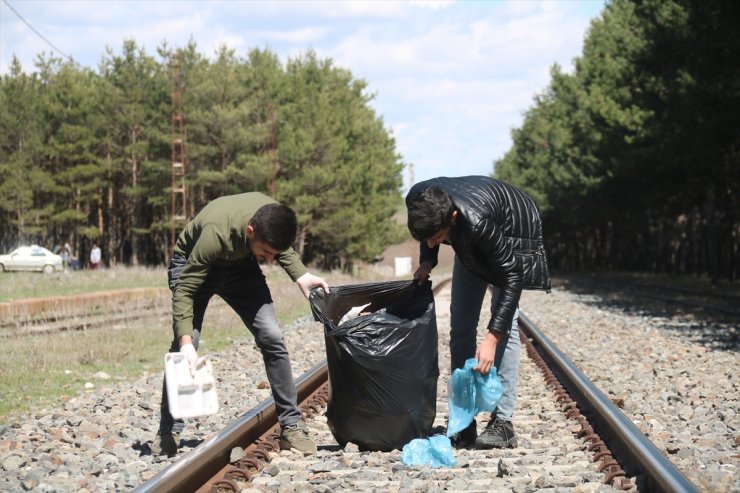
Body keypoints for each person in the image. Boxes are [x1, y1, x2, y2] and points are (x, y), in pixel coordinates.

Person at [151, 192, 330, 457]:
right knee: (186, 345)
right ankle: (168, 431)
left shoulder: (270, 215)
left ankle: (291, 426)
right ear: (250, 230)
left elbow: (279, 247)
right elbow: (186, 290)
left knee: (272, 336)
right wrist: (186, 342)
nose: (270, 259)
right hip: (193, 265)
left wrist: (301, 275)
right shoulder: (215, 233)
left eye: (273, 254)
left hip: (239, 266)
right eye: (266, 253)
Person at [405, 176, 550, 449]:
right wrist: (428, 259)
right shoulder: (417, 198)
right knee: (460, 325)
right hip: (470, 236)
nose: (434, 243)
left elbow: (511, 277)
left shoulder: (478, 222)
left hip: (511, 232)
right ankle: (464, 422)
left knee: (505, 325)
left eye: (437, 238)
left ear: (454, 217)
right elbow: (428, 231)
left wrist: (492, 338)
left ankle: (503, 424)